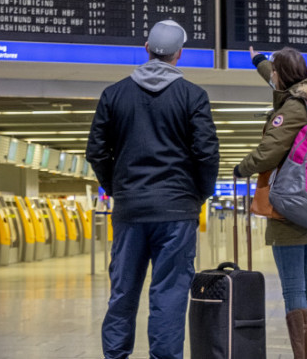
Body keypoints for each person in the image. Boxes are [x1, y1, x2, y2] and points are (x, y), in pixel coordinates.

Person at [86, 20, 220, 359]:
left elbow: (97, 151)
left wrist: (116, 188)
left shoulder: (113, 94)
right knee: (170, 293)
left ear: (146, 49)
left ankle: (116, 356)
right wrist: (199, 194)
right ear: (180, 54)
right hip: (177, 212)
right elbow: (206, 152)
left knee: (123, 292)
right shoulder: (193, 96)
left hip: (130, 211)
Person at [233, 46, 307, 359]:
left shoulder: (292, 109)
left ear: (282, 77)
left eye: (274, 72)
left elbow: (270, 150)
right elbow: (275, 78)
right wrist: (259, 61)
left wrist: (242, 167)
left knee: (294, 290)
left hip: (289, 208)